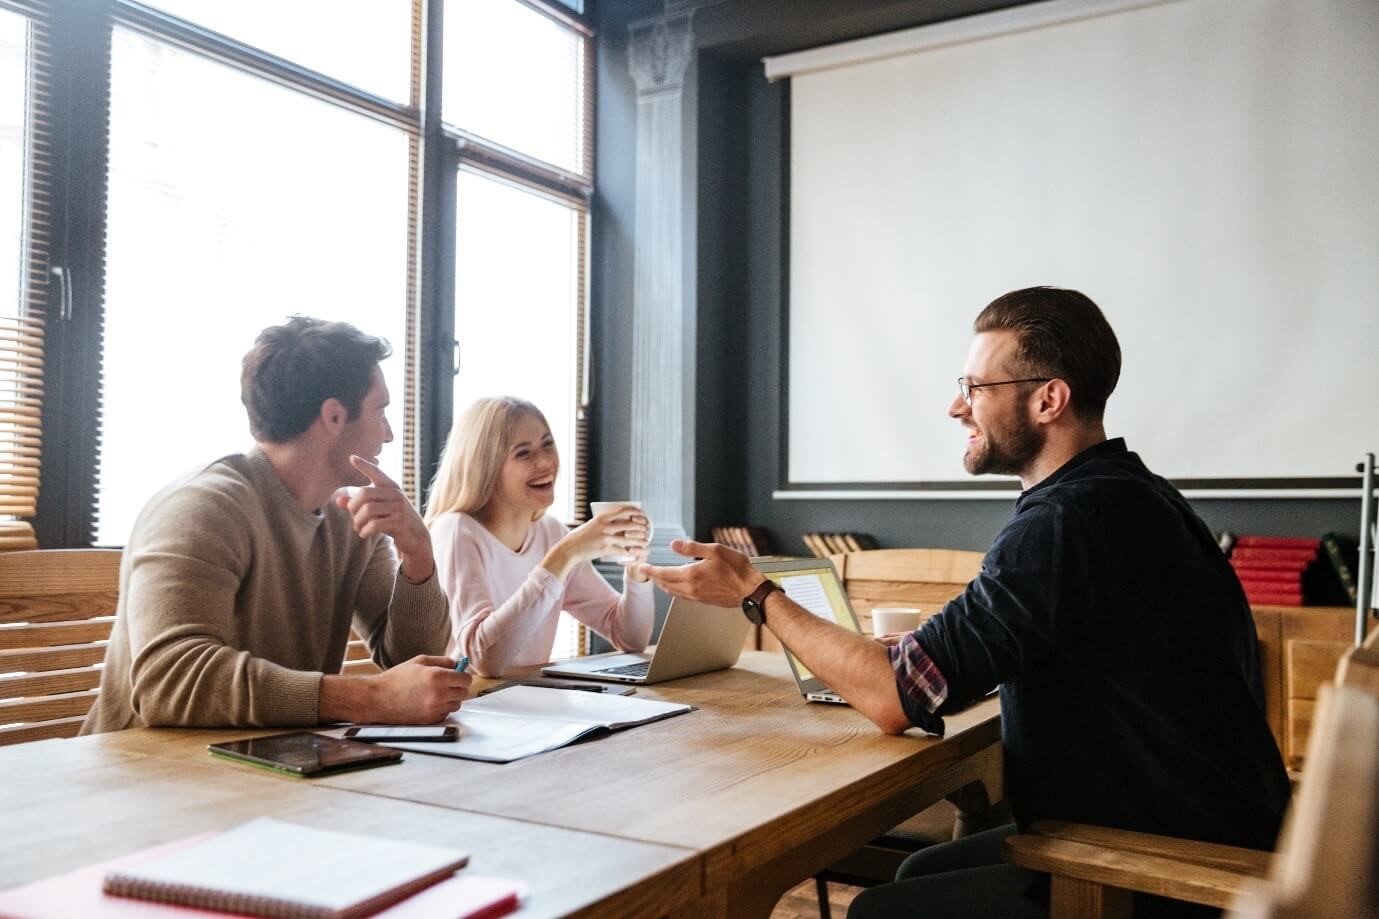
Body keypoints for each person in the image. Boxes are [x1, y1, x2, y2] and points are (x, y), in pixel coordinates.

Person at [642, 287, 1290, 919]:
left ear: (1047, 398)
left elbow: (893, 700)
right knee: (916, 870)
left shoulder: (1062, 523)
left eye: (976, 388)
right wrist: (909, 652)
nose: (957, 406)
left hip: (1168, 867)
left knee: (878, 909)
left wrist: (755, 593)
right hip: (1211, 831)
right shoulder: (1127, 494)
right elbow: (1010, 638)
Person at [82, 317, 470, 734]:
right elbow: (168, 680)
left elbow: (412, 664)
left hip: (268, 770)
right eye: (381, 411)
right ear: (334, 416)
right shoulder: (202, 508)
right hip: (143, 779)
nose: (390, 434)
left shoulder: (350, 517)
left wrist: (418, 558)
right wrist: (369, 697)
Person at [425, 396, 654, 677]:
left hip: (530, 703)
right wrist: (565, 555)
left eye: (547, 444)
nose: (545, 461)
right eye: (523, 453)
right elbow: (485, 660)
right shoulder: (456, 530)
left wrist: (636, 568)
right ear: (486, 467)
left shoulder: (550, 532)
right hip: (472, 707)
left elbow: (628, 636)